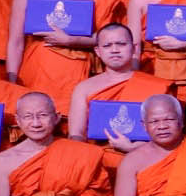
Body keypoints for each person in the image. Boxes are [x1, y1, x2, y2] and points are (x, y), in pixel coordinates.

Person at [8, 0, 120, 109]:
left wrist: (71, 40)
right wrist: (12, 78)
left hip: (76, 68)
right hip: (37, 67)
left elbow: (107, 40)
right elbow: (15, 42)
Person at [65, 24, 165, 161]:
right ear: (97, 51)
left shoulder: (156, 87)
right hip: (97, 160)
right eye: (107, 46)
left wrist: (134, 147)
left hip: (144, 158)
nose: (114, 50)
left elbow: (167, 134)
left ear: (134, 48)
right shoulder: (84, 88)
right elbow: (76, 133)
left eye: (121, 44)